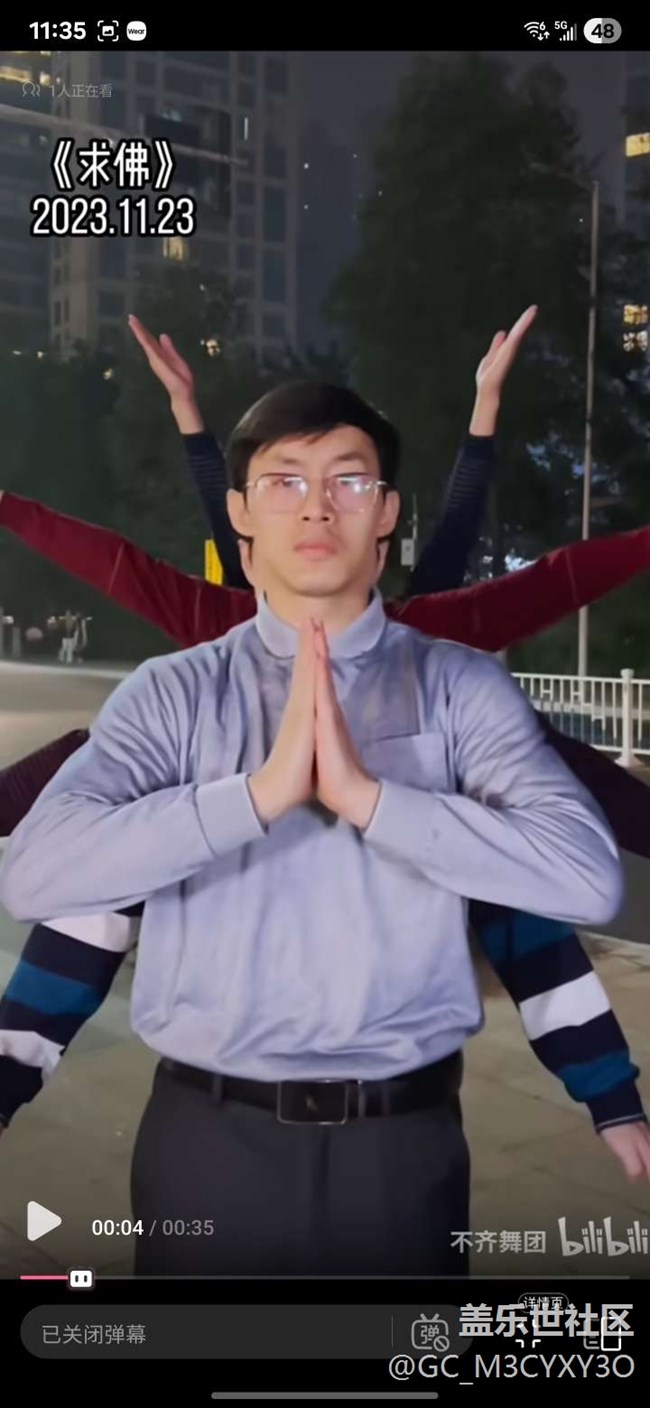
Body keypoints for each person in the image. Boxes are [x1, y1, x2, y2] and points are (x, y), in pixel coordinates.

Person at [0, 379, 642, 1279]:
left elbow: (539, 897)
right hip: (206, 1146)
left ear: (386, 513)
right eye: (284, 482)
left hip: (404, 1152)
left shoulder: (458, 688)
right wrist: (258, 795)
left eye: (348, 480)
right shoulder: (173, 693)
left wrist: (369, 797)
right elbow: (75, 895)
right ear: (241, 515)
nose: (316, 507)